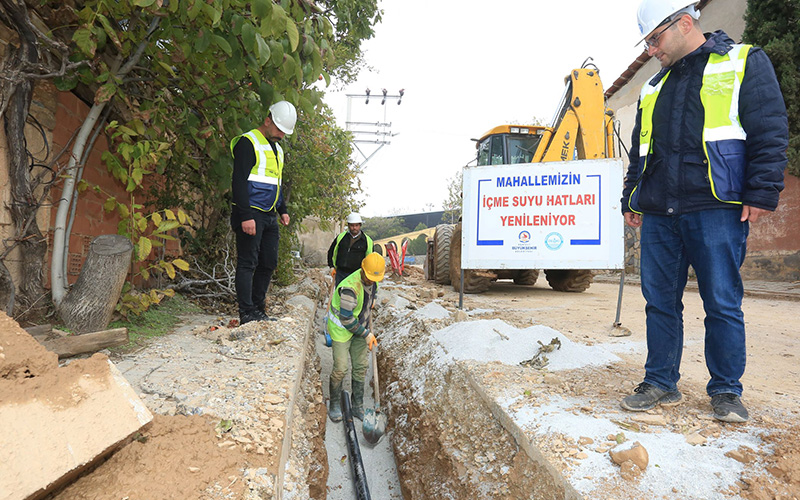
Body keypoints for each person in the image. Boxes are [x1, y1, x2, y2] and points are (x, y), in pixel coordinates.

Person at [621, 0, 788, 423]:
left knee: (722, 303)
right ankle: (660, 382)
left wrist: (762, 190)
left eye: (655, 39)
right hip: (660, 211)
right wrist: (631, 196)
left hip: (716, 206)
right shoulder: (653, 87)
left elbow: (769, 127)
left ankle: (727, 391)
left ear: (682, 23)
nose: (651, 50)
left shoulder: (742, 61)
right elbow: (641, 150)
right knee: (659, 303)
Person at [230, 101, 298, 325]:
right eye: (278, 129)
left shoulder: (277, 149)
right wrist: (245, 215)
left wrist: (283, 210)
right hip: (251, 213)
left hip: (269, 214)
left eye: (284, 132)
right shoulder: (247, 143)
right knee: (248, 262)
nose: (280, 135)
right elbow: (238, 182)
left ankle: (259, 308)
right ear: (267, 120)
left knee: (268, 261)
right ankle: (246, 312)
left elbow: (274, 182)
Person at [326, 253, 384, 422]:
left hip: (360, 325)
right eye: (369, 277)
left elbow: (372, 291)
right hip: (341, 329)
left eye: (375, 279)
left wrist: (372, 300)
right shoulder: (350, 288)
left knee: (360, 367)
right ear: (362, 269)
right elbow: (346, 319)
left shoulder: (373, 278)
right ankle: (335, 403)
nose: (372, 281)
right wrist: (366, 334)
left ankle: (357, 405)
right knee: (341, 367)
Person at [327, 212, 375, 287]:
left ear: (360, 225)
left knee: (353, 296)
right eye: (352, 225)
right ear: (348, 225)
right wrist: (331, 267)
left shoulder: (367, 241)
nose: (354, 228)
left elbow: (370, 260)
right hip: (340, 273)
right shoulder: (341, 238)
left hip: (357, 275)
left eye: (356, 225)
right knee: (339, 295)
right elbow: (331, 252)